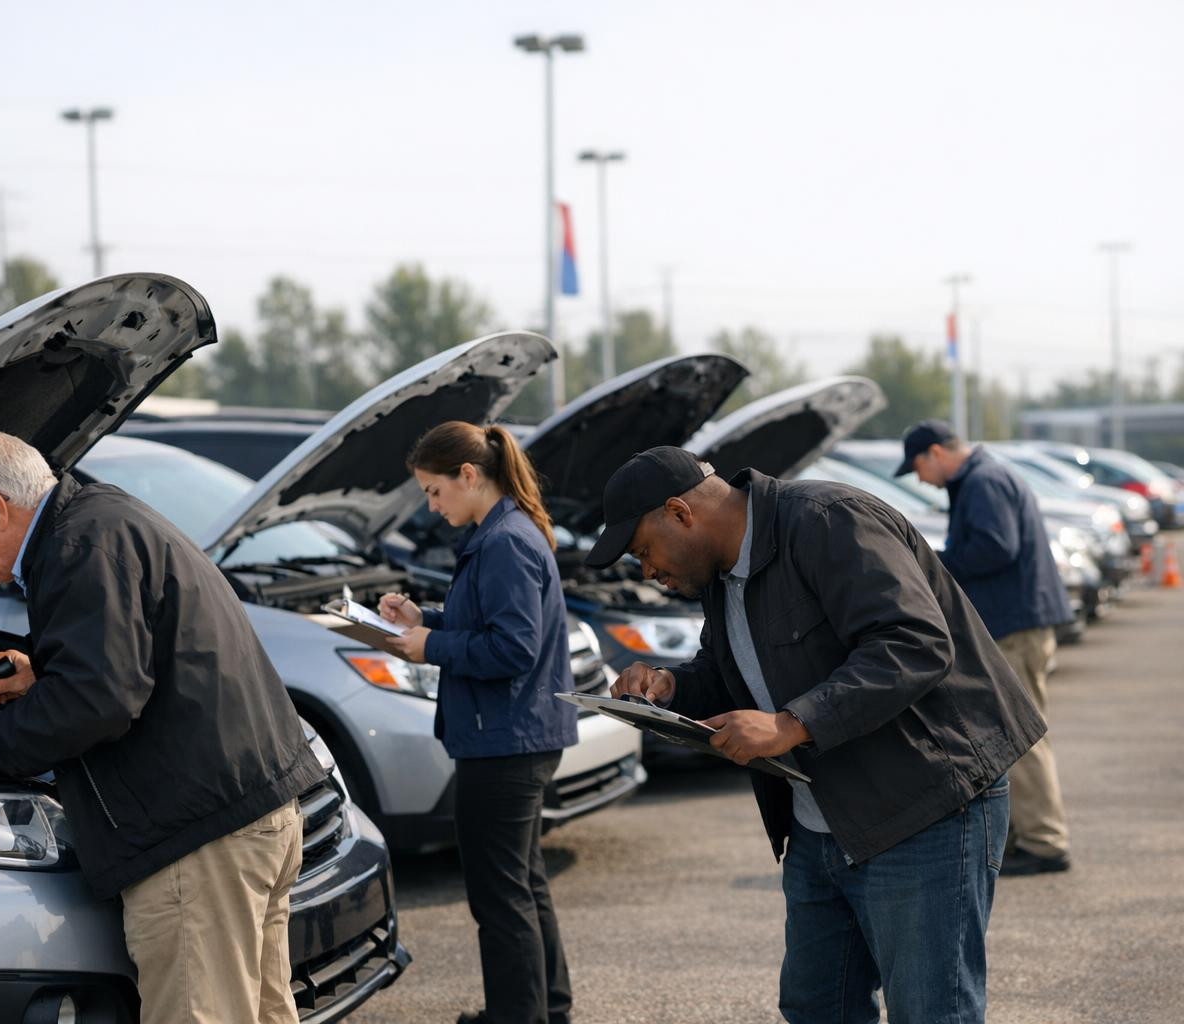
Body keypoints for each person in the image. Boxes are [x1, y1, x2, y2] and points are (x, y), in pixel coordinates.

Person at [593, 445, 1046, 1024]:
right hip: (820, 824)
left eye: (644, 552)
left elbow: (914, 643)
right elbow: (729, 670)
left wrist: (791, 724)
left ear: (681, 513)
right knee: (816, 1007)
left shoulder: (829, 520)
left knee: (933, 1011)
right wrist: (668, 687)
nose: (648, 572)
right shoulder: (720, 572)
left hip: (925, 810)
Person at [0, 430, 323, 1024]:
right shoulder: (99, 519)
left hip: (197, 841)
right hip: (251, 813)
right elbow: (129, 659)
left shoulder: (78, 547)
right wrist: (45, 670)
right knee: (259, 1012)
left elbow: (99, 701)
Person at [376, 421, 577, 1024]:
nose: (432, 508)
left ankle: (518, 1016)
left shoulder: (504, 541)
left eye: (435, 492)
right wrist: (426, 618)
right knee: (523, 883)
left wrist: (426, 649)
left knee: (499, 895)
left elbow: (513, 648)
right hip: (515, 734)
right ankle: (549, 1009)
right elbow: (486, 620)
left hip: (505, 741)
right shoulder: (505, 532)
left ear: (469, 475)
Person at [897, 419, 1074, 875]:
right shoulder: (987, 476)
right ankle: (1023, 836)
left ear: (935, 452)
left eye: (917, 467)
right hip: (1019, 620)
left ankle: (1044, 842)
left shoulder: (983, 481)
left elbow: (996, 548)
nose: (919, 479)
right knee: (1014, 731)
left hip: (1014, 625)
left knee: (1023, 734)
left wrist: (932, 563)